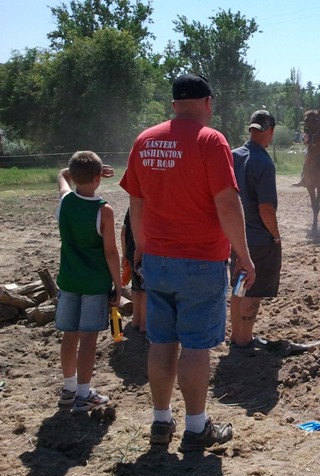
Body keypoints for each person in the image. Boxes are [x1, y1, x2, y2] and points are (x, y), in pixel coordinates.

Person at [120, 73, 256, 453]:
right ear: (208, 102)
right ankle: (197, 428)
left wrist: (140, 248)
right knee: (196, 346)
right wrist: (243, 254)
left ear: (174, 103)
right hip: (200, 261)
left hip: (157, 260)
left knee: (161, 341)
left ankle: (161, 422)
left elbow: (137, 203)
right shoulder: (210, 140)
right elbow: (227, 203)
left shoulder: (145, 140)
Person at [55, 151, 121, 413]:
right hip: (94, 284)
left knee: (69, 335)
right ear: (98, 178)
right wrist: (119, 285)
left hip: (69, 281)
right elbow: (111, 252)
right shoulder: (103, 211)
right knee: (89, 339)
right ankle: (84, 393)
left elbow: (62, 175)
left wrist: (79, 171)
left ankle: (69, 388)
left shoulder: (64, 201)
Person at [229, 110, 282, 350]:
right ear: (269, 131)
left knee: (239, 285)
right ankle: (244, 338)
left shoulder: (232, 156)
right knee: (253, 287)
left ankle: (236, 336)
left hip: (234, 235)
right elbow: (265, 208)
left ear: (251, 129)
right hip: (258, 238)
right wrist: (275, 235)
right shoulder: (263, 162)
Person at [120, 209, 146, 333]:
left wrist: (124, 254)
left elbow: (123, 232)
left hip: (131, 253)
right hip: (146, 253)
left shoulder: (132, 208)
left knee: (136, 287)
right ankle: (144, 324)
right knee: (146, 289)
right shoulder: (151, 205)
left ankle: (136, 320)